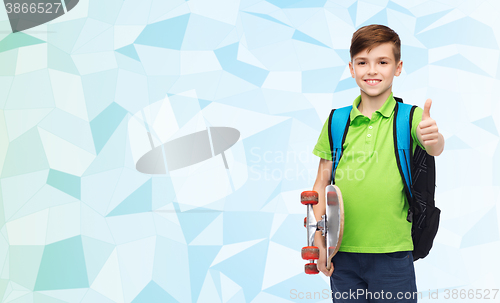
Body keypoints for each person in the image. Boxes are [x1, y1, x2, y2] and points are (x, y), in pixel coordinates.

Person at [311, 24, 444, 302]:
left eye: (382, 62)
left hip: (393, 254)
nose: (372, 70)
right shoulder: (336, 121)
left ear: (397, 67)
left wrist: (432, 138)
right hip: (342, 255)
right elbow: (321, 184)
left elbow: (435, 148)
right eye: (363, 62)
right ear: (351, 68)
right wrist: (318, 239)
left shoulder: (411, 117)